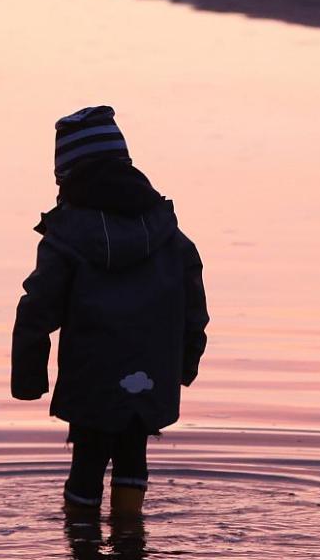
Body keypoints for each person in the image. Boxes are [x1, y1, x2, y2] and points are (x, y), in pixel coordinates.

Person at [11, 105, 209, 515]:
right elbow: (195, 309)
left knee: (87, 461)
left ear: (65, 176)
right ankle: (130, 546)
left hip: (91, 377)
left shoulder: (65, 237)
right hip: (152, 375)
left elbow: (36, 310)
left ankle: (81, 557)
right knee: (133, 457)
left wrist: (28, 379)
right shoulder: (170, 234)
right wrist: (183, 366)